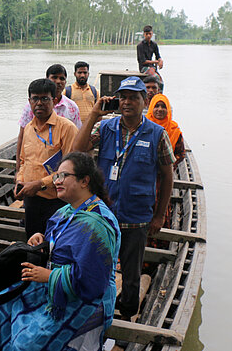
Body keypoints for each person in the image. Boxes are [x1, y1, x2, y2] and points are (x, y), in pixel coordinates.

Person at [0, 152, 120, 351]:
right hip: (55, 285)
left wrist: (49, 276)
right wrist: (42, 240)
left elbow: (92, 282)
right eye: (56, 176)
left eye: (63, 176)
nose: (57, 181)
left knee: (27, 344)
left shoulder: (95, 226)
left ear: (85, 181)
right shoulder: (67, 211)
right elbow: (57, 243)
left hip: (84, 298)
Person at [72, 76, 174, 321]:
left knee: (131, 274)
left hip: (137, 218)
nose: (127, 102)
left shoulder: (157, 134)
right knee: (95, 264)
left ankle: (127, 319)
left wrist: (159, 215)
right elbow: (77, 149)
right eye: (123, 97)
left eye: (133, 97)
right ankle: (95, 313)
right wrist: (95, 114)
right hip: (104, 216)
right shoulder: (106, 127)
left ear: (144, 100)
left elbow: (168, 177)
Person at [15, 78, 79, 238]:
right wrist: (19, 181)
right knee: (33, 245)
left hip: (57, 201)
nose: (39, 103)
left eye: (45, 99)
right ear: (29, 101)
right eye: (35, 98)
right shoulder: (29, 128)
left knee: (56, 247)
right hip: (31, 200)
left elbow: (71, 170)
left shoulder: (67, 128)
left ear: (55, 100)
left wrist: (40, 184)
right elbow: (23, 161)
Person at [16, 64, 81, 171]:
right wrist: (18, 168)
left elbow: (77, 138)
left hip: (59, 169)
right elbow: (22, 137)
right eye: (54, 77)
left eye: (62, 78)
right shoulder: (30, 109)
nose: (58, 81)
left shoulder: (71, 108)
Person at [147, 93, 185, 168]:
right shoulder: (143, 125)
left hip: (165, 171)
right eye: (156, 106)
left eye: (163, 107)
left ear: (167, 109)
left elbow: (180, 154)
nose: (160, 109)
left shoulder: (174, 130)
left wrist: (168, 165)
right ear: (151, 108)